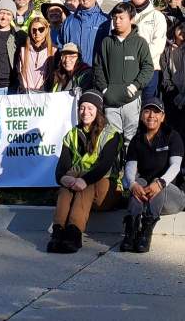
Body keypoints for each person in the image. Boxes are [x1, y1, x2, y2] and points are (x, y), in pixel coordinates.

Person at [47, 91, 122, 254]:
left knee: (85, 181)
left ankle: (74, 233)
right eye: (82, 107)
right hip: (81, 188)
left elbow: (104, 166)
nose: (85, 112)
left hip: (106, 191)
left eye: (90, 108)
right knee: (68, 180)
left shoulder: (111, 134)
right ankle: (58, 232)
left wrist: (83, 180)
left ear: (98, 110)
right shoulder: (71, 134)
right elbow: (61, 168)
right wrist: (63, 178)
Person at [121, 97, 185, 253]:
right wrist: (132, 184)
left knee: (157, 181)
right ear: (142, 115)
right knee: (138, 182)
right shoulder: (136, 140)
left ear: (163, 117)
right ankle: (131, 230)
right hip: (147, 194)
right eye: (147, 111)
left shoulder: (172, 136)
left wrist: (161, 183)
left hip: (174, 196)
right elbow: (130, 167)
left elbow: (175, 166)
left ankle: (146, 230)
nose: (151, 116)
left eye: (156, 112)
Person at [93, 2, 154, 150]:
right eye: (114, 18)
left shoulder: (140, 43)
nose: (117, 21)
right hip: (110, 100)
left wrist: (135, 85)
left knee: (130, 138)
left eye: (121, 17)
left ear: (131, 19)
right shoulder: (106, 42)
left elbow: (148, 67)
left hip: (131, 100)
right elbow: (98, 67)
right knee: (111, 138)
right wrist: (105, 90)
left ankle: (129, 169)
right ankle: (113, 169)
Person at [128, 0, 168, 99]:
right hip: (127, 70)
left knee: (147, 111)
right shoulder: (123, 14)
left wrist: (136, 58)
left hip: (149, 71)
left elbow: (158, 44)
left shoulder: (158, 16)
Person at [160, 21, 185, 157]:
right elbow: (165, 75)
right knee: (172, 131)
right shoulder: (166, 48)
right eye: (180, 28)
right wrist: (175, 94)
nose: (183, 31)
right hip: (172, 96)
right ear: (174, 29)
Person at [61, 0, 110, 67]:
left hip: (97, 73)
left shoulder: (106, 21)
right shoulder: (69, 21)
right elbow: (61, 46)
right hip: (73, 72)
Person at [18, 17, 55, 93]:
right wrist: (23, 89)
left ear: (46, 30)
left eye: (41, 29)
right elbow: (18, 72)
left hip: (45, 93)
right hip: (25, 93)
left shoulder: (54, 50)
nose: (37, 33)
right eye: (34, 30)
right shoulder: (22, 50)